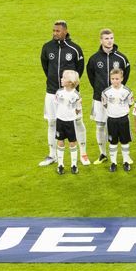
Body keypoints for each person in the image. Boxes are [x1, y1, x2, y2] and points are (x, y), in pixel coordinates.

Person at [39, 21, 87, 167]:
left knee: (78, 121)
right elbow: (45, 67)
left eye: (58, 31)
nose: (55, 33)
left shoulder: (75, 49)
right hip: (52, 92)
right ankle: (52, 155)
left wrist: (70, 86)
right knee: (52, 122)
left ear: (65, 31)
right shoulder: (47, 47)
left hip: (71, 94)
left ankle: (83, 154)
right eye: (53, 30)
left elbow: (79, 70)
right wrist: (55, 84)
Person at [49, 70, 85, 174]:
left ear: (70, 82)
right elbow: (56, 104)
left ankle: (74, 165)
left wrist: (75, 109)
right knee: (60, 141)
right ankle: (60, 164)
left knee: (72, 142)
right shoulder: (59, 92)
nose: (61, 79)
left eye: (64, 78)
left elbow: (78, 109)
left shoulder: (76, 95)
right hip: (60, 120)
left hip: (71, 122)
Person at [100, 65, 134, 171]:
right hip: (111, 120)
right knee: (112, 142)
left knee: (124, 141)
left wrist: (122, 111)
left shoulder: (127, 91)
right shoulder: (106, 92)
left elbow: (130, 103)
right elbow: (104, 104)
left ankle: (126, 161)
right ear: (110, 79)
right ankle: (113, 163)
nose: (115, 81)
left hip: (123, 119)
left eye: (117, 79)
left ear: (122, 79)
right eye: (113, 79)